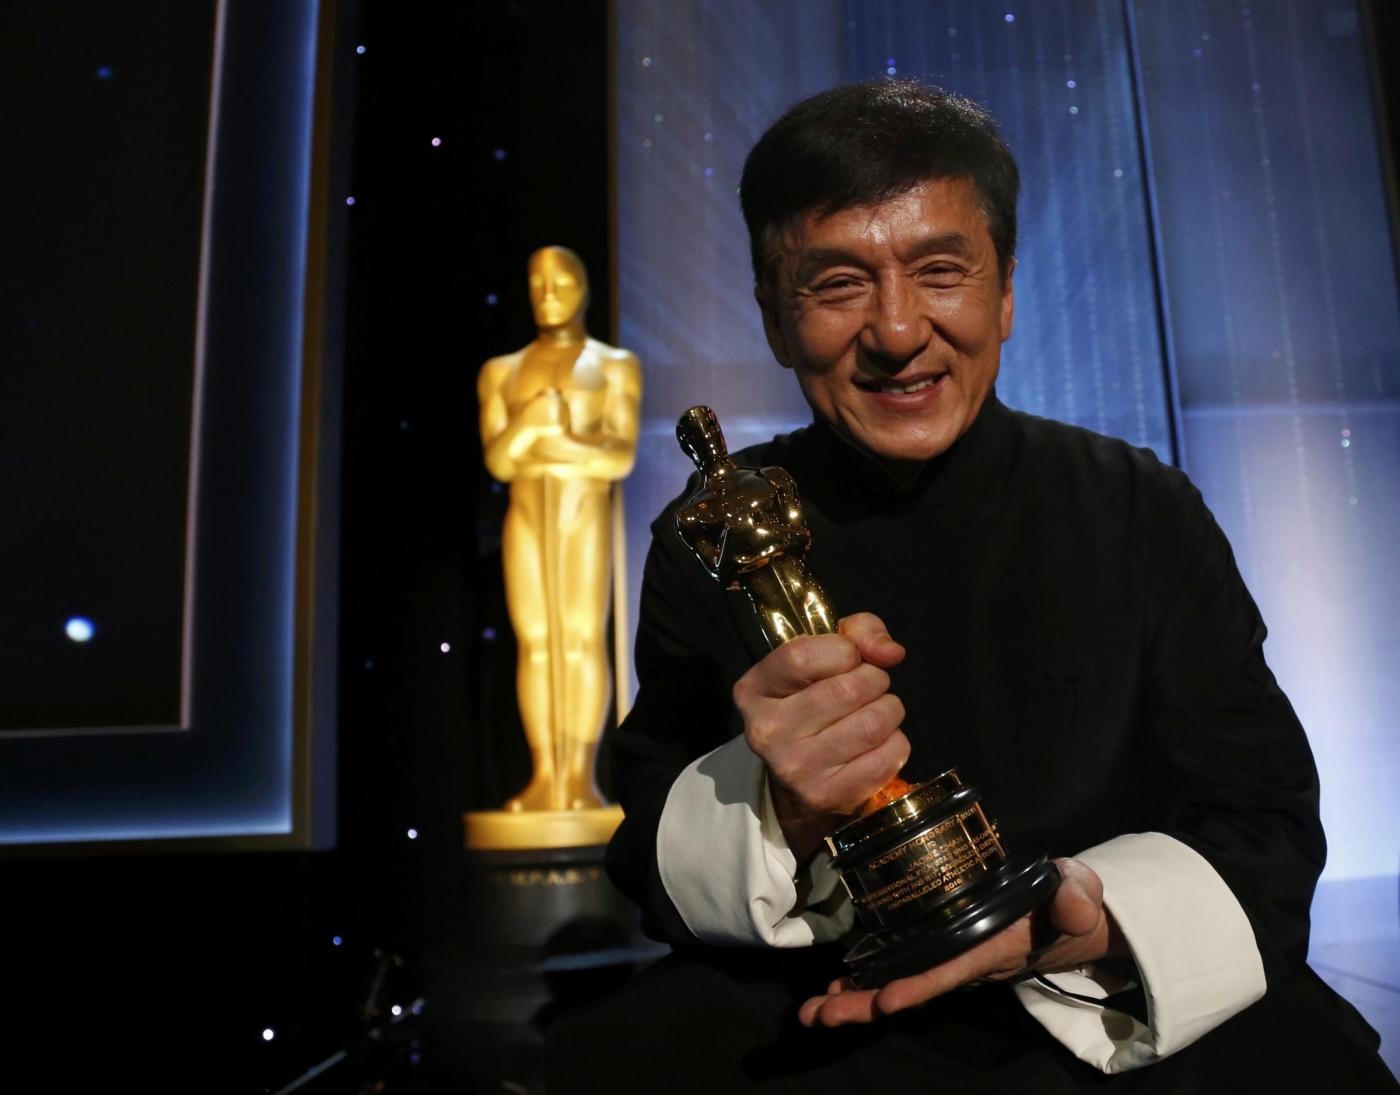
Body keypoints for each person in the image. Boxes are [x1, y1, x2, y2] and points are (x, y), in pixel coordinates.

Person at [550, 81, 1394, 1091]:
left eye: (939, 271)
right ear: (774, 318)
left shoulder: (1136, 505)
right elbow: (650, 845)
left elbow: (1258, 814)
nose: (897, 330)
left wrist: (1084, 919)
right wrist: (773, 807)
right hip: (828, 1001)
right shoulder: (712, 535)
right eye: (837, 284)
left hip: (1108, 990)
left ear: (1004, 293)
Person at [478, 246, 641, 813]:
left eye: (562, 282)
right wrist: (531, 421)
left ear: (584, 288)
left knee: (579, 637)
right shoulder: (502, 371)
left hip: (582, 510)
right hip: (525, 513)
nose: (549, 295)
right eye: (537, 284)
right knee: (536, 643)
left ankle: (580, 777)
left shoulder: (614, 365)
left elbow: (617, 457)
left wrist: (560, 437)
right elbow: (499, 461)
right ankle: (544, 776)